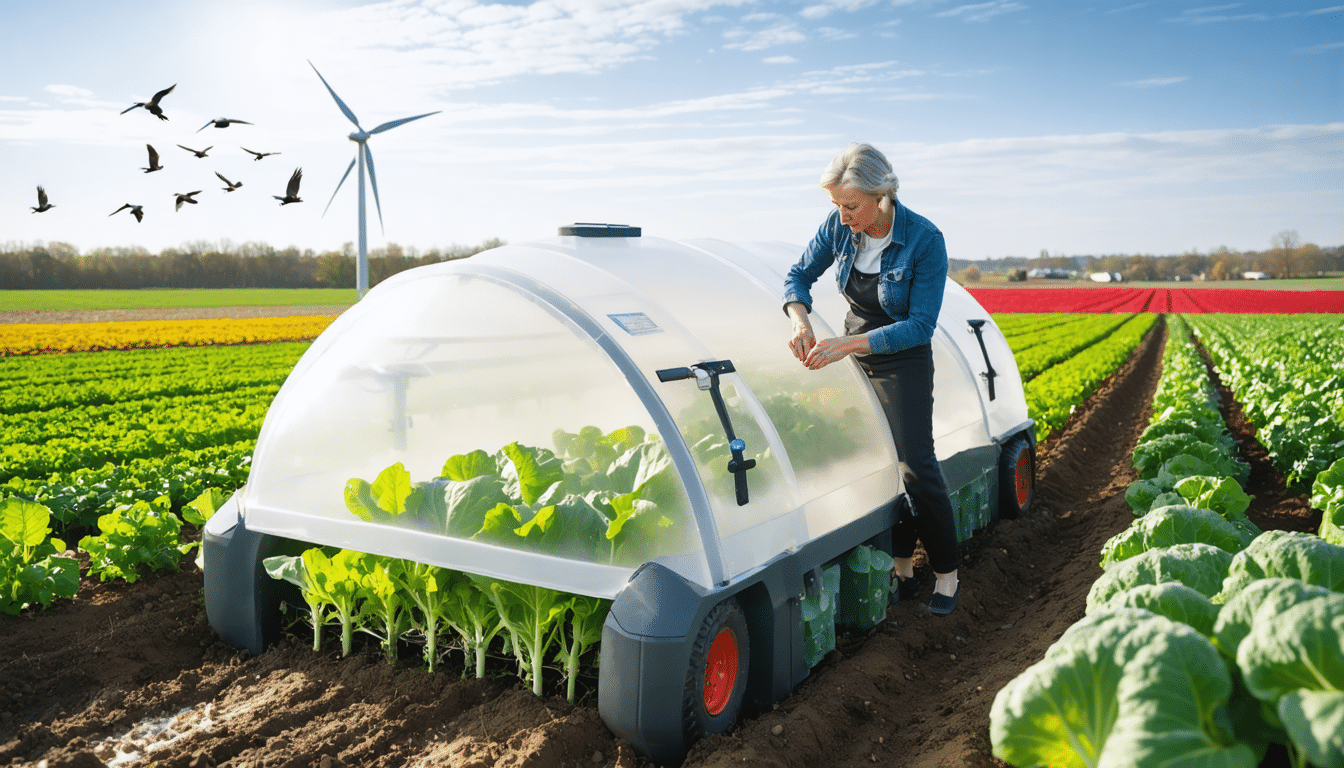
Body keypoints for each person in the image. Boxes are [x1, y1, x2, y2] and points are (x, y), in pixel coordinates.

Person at [781, 142, 961, 615]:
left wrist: (845, 345)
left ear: (883, 196)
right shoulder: (839, 227)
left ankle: (946, 574)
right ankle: (900, 565)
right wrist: (799, 320)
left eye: (851, 206)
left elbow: (919, 326)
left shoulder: (925, 239)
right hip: (851, 351)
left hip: (902, 359)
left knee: (915, 467)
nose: (842, 217)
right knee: (868, 461)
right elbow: (797, 276)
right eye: (836, 206)